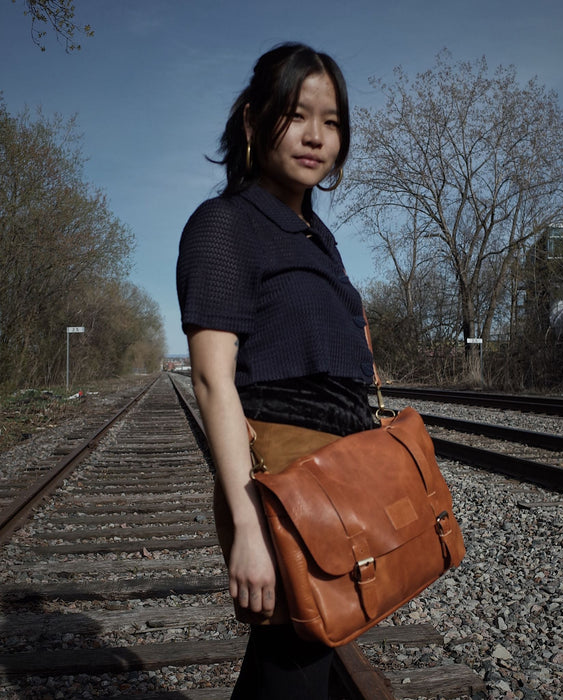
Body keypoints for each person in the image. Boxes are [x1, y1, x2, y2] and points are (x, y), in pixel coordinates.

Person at [176, 43, 376, 700]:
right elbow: (213, 383)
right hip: (283, 494)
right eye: (297, 114)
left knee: (295, 665)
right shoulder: (224, 225)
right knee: (295, 668)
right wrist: (246, 528)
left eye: (333, 119)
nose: (318, 135)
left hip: (338, 487)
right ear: (254, 121)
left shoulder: (321, 239)